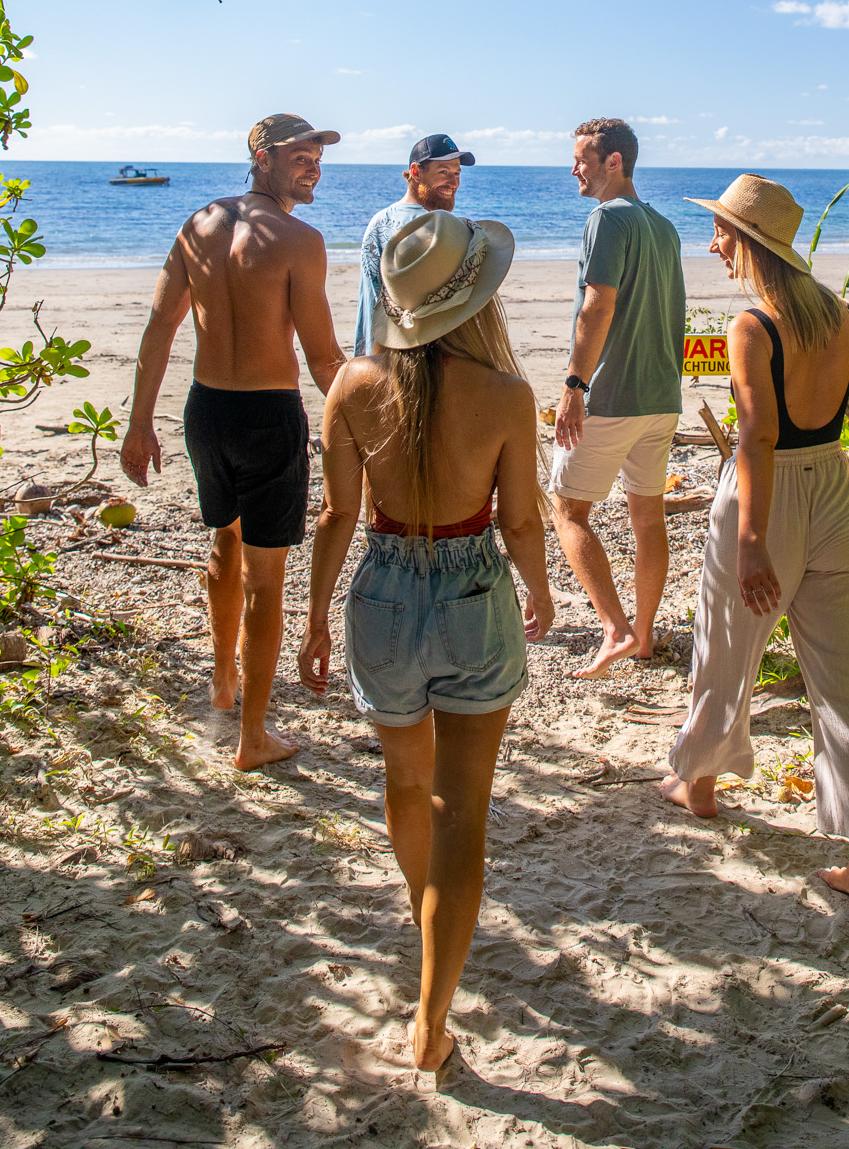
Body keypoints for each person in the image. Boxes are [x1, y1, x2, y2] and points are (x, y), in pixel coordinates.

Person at [298, 209, 553, 1075]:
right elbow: (519, 519)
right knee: (463, 813)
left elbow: (334, 515)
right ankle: (430, 1019)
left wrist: (312, 618)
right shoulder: (507, 394)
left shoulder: (352, 385)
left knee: (405, 782)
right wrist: (545, 589)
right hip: (472, 588)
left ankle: (425, 915)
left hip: (380, 587)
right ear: (475, 299)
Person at [661, 175, 849, 921]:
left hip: (765, 496)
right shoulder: (846, 317)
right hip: (832, 484)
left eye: (721, 233)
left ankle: (698, 784)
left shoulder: (751, 326)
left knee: (726, 648)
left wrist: (754, 538)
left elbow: (759, 436)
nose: (712, 243)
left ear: (747, 244)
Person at [120, 114, 347, 772]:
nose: (313, 168)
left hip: (205, 412)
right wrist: (365, 422)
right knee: (266, 581)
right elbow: (324, 358)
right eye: (301, 157)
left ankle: (223, 682)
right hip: (268, 416)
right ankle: (252, 736)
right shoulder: (299, 241)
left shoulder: (198, 224)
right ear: (263, 155)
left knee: (225, 541)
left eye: (316, 158)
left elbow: (160, 328)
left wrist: (140, 423)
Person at [549, 117, 685, 679]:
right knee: (647, 516)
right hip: (661, 395)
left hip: (612, 395)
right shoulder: (663, 226)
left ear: (614, 162)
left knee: (567, 509)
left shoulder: (607, 217)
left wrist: (574, 386)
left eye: (582, 158)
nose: (573, 168)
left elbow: (597, 305)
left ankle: (615, 629)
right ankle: (645, 636)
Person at [354, 133, 476, 354]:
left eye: (457, 173)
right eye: (444, 172)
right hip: (420, 361)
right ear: (416, 171)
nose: (454, 182)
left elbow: (372, 300)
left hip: (378, 355)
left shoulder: (379, 221)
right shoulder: (443, 229)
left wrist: (367, 360)